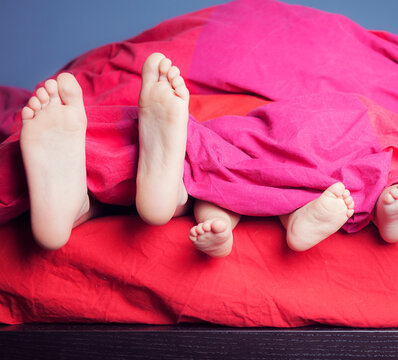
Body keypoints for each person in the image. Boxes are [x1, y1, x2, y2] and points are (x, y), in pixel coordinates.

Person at [19, 53, 355, 254]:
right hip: (222, 184)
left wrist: (216, 238)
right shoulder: (332, 76)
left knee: (220, 188)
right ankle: (174, 189)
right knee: (228, 189)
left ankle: (80, 204)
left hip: (215, 181)